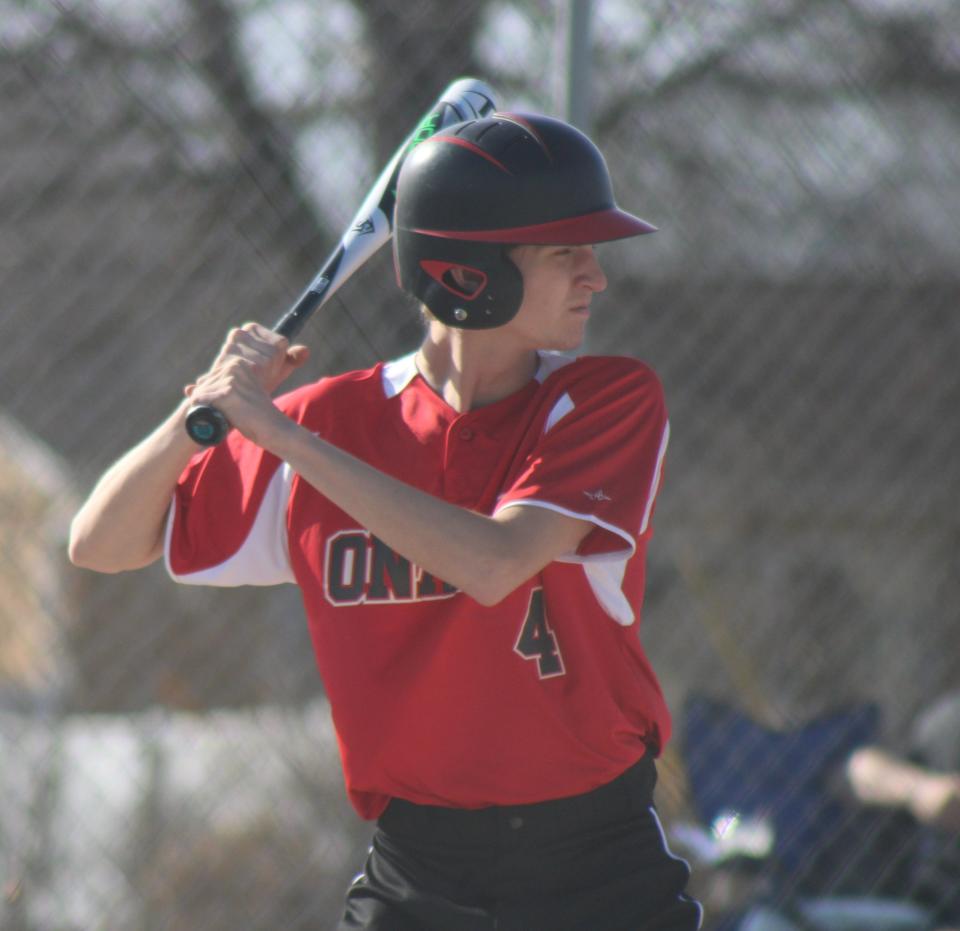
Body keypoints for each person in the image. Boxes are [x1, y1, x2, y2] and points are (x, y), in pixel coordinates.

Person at [69, 110, 702, 931]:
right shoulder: (329, 422)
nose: (596, 276)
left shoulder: (601, 401)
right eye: (565, 253)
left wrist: (287, 437)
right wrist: (204, 406)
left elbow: (495, 560)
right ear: (471, 275)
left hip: (594, 862)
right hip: (420, 868)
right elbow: (100, 542)